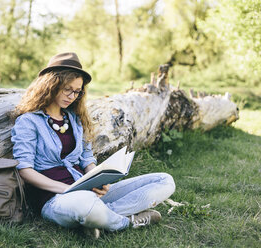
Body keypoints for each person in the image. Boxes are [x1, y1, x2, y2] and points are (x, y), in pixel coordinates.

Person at [11, 52, 175, 238]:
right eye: (68, 89)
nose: (72, 96)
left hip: (87, 190)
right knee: (85, 203)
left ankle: (98, 218)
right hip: (55, 199)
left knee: (164, 181)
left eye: (77, 91)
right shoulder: (28, 121)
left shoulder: (74, 119)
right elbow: (25, 170)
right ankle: (126, 222)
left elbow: (87, 159)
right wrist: (67, 189)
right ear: (51, 84)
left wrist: (99, 180)